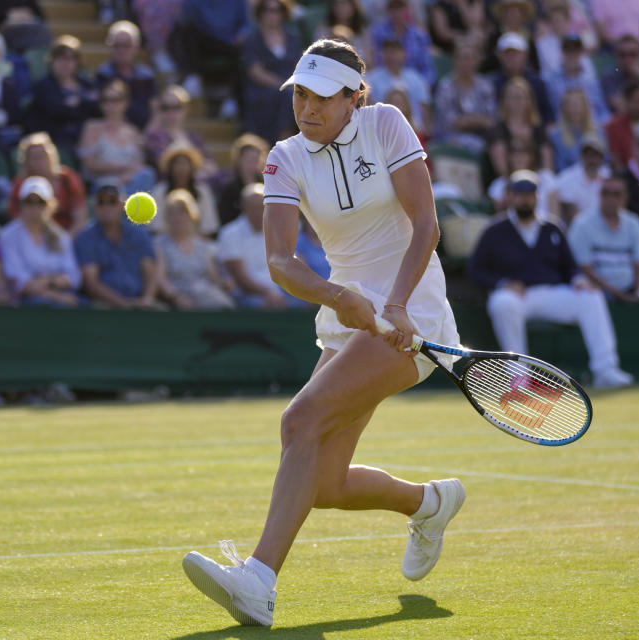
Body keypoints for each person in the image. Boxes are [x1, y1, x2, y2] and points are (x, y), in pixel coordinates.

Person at [182, 39, 464, 628]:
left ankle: (258, 580)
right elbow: (281, 262)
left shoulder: (386, 124)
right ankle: (429, 503)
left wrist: (395, 304)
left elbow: (426, 225)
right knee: (327, 483)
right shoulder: (283, 157)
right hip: (348, 317)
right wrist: (342, 299)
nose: (307, 107)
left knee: (297, 423)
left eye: (322, 97)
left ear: (353, 98)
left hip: (417, 314)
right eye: (300, 94)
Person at [469, 169, 633, 387]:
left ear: (537, 197)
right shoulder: (494, 230)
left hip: (552, 293)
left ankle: (606, 369)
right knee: (501, 303)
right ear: (510, 196)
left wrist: (578, 280)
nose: (524, 199)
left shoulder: (553, 227)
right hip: (517, 297)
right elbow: (475, 270)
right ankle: (518, 376)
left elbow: (570, 267)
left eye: (529, 194)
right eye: (519, 194)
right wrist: (502, 283)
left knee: (591, 298)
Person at [73, 179, 160, 309]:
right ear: (94, 206)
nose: (106, 207)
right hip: (103, 306)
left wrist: (147, 298)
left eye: (112, 202)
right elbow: (91, 283)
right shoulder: (85, 238)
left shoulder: (138, 234)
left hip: (140, 303)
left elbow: (149, 269)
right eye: (101, 202)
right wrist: (123, 304)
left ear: (121, 205)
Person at [0, 175, 81, 306]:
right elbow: (19, 283)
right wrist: (54, 295)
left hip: (61, 296)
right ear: (21, 205)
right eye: (29, 202)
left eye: (40, 202)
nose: (35, 208)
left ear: (50, 205)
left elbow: (74, 277)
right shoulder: (8, 236)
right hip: (26, 303)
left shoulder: (61, 236)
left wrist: (48, 281)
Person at [569, 175, 639, 302]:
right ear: (599, 195)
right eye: (605, 193)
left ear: (625, 197)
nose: (610, 199)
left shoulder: (634, 223)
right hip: (598, 291)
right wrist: (617, 294)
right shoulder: (582, 224)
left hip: (630, 289)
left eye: (616, 194)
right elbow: (584, 268)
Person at [155, 189, 234, 310]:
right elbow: (160, 279)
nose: (177, 218)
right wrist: (176, 297)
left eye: (182, 213)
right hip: (175, 300)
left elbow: (214, 278)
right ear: (166, 217)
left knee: (226, 306)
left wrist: (224, 284)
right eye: (172, 213)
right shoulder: (159, 245)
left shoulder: (207, 247)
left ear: (192, 216)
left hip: (206, 296)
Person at [77, 79, 156, 196]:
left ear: (126, 102)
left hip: (130, 182)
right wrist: (123, 170)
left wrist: (126, 176)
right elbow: (90, 165)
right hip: (102, 186)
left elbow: (139, 166)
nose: (110, 105)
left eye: (116, 100)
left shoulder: (133, 131)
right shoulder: (92, 128)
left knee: (147, 174)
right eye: (106, 100)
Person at [217, 182, 288, 308]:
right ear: (244, 208)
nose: (258, 212)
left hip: (279, 293)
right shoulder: (229, 234)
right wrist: (267, 293)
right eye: (253, 207)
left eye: (261, 207)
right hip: (247, 294)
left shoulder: (277, 232)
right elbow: (240, 278)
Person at [240, 0, 300, 144]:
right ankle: (281, 142)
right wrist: (284, 85)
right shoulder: (252, 39)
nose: (272, 14)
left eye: (277, 10)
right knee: (288, 98)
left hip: (291, 88)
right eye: (267, 10)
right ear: (260, 13)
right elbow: (255, 72)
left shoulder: (292, 38)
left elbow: (299, 66)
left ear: (283, 13)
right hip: (262, 91)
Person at [166, 0, 249, 99]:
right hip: (203, 42)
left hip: (229, 43)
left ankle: (234, 99)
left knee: (243, 55)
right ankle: (190, 75)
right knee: (183, 29)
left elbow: (246, 25)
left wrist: (242, 35)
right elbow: (185, 17)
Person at [28, 35, 99, 147]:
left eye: (71, 58)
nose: (65, 63)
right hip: (56, 142)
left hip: (87, 141)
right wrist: (84, 102)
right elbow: (55, 111)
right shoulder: (42, 86)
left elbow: (98, 109)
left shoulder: (87, 84)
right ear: (52, 60)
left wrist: (76, 102)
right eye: (61, 58)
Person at [9, 132, 87, 235]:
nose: (40, 161)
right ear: (26, 161)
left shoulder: (68, 179)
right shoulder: (20, 184)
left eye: (43, 156)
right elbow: (17, 219)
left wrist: (64, 243)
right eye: (34, 157)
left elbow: (80, 219)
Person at [431, 36, 497, 155]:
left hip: (481, 139)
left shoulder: (485, 86)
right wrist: (477, 120)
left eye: (470, 58)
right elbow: (449, 122)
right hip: (449, 138)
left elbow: (490, 120)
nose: (466, 62)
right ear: (454, 60)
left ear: (477, 60)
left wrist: (466, 121)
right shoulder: (445, 86)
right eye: (462, 58)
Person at [95, 20, 156, 130]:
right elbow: (99, 111)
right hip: (111, 132)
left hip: (141, 132)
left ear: (136, 47)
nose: (121, 50)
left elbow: (155, 109)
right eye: (117, 46)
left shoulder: (147, 76)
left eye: (126, 46)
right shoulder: (103, 75)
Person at [487, 76, 553, 178]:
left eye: (521, 97)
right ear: (505, 101)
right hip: (508, 182)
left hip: (538, 179)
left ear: (529, 101)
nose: (517, 101)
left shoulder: (539, 130)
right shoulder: (497, 130)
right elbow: (501, 168)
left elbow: (547, 164)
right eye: (513, 97)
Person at [150, 142, 219, 237]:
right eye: (177, 163)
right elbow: (157, 227)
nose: (181, 168)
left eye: (185, 163)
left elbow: (208, 227)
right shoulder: (159, 191)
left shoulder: (203, 192)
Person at [143, 85, 213, 174]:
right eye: (165, 107)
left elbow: (211, 165)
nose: (171, 112)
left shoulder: (193, 135)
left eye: (177, 106)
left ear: (186, 108)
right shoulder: (154, 136)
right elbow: (166, 164)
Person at [367, 37, 431, 134]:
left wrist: (426, 133)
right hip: (382, 132)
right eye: (388, 52)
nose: (392, 56)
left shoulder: (416, 79)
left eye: (395, 52)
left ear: (405, 54)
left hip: (415, 132)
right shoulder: (370, 80)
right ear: (382, 54)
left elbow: (424, 109)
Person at [490, 31, 553, 126]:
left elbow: (547, 115)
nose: (512, 57)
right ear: (499, 55)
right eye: (507, 54)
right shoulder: (492, 83)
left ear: (525, 55)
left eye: (516, 53)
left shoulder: (537, 83)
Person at [544, 34, 607, 127]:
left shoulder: (590, 80)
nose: (572, 54)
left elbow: (602, 110)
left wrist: (603, 126)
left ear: (581, 53)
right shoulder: (550, 80)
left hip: (591, 128)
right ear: (562, 52)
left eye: (575, 50)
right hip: (562, 130)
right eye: (568, 50)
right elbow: (549, 111)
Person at [370, 0, 435, 85]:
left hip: (414, 84)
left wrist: (422, 86)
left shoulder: (420, 36)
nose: (396, 13)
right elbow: (375, 63)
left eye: (400, 8)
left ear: (407, 10)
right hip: (384, 83)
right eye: (393, 8)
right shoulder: (376, 34)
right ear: (387, 10)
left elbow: (427, 68)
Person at [556, 133, 610, 227]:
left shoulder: (609, 177)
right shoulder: (567, 178)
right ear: (581, 156)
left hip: (604, 228)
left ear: (601, 158)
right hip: (578, 230)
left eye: (596, 156)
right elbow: (571, 216)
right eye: (588, 155)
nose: (592, 160)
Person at [600, 34, 639, 116]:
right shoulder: (609, 76)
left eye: (633, 54)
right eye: (622, 55)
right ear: (616, 56)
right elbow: (620, 107)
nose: (628, 59)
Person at [217, 133, 269, 226]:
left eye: (255, 160)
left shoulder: (269, 187)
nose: (251, 165)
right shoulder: (229, 190)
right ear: (239, 160)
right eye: (248, 160)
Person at [549, 86, 604, 172]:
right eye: (571, 105)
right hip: (567, 179)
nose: (575, 109)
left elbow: (605, 161)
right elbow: (559, 166)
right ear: (564, 108)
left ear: (585, 107)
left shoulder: (598, 131)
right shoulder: (556, 135)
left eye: (578, 105)